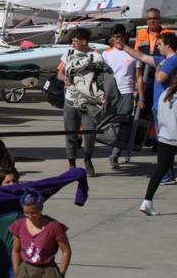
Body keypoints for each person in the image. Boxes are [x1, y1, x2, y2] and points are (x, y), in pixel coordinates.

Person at [122, 31, 177, 185]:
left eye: (159, 44)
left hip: (167, 108)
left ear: (167, 45)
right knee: (165, 142)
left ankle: (167, 175)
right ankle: (168, 173)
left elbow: (160, 78)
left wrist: (158, 67)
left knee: (165, 142)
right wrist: (124, 47)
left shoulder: (172, 61)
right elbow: (142, 57)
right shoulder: (163, 60)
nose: (157, 47)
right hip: (160, 107)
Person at [56, 27, 106, 176]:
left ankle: (88, 160)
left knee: (90, 133)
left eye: (75, 41)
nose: (73, 44)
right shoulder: (69, 53)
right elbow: (59, 72)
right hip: (71, 99)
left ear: (84, 41)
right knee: (70, 133)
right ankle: (72, 165)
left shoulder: (95, 56)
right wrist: (64, 79)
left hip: (89, 101)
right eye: (72, 41)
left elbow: (103, 76)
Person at [9, 191, 71, 277]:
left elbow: (66, 251)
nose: (30, 216)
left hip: (47, 270)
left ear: (40, 209)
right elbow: (16, 250)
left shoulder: (54, 226)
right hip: (25, 270)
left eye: (33, 213)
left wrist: (61, 273)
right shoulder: (18, 225)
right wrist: (17, 272)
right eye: (26, 213)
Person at [102, 24, 139, 169]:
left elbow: (139, 77)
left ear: (124, 37)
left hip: (127, 92)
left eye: (119, 37)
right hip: (111, 93)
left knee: (123, 125)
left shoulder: (132, 53)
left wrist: (140, 97)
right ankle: (112, 148)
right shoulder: (106, 54)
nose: (116, 39)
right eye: (114, 37)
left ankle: (114, 156)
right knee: (111, 124)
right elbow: (103, 76)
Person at [140, 78, 177, 216]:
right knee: (161, 170)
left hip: (164, 137)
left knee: (160, 170)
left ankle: (147, 201)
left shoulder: (165, 93)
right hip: (174, 137)